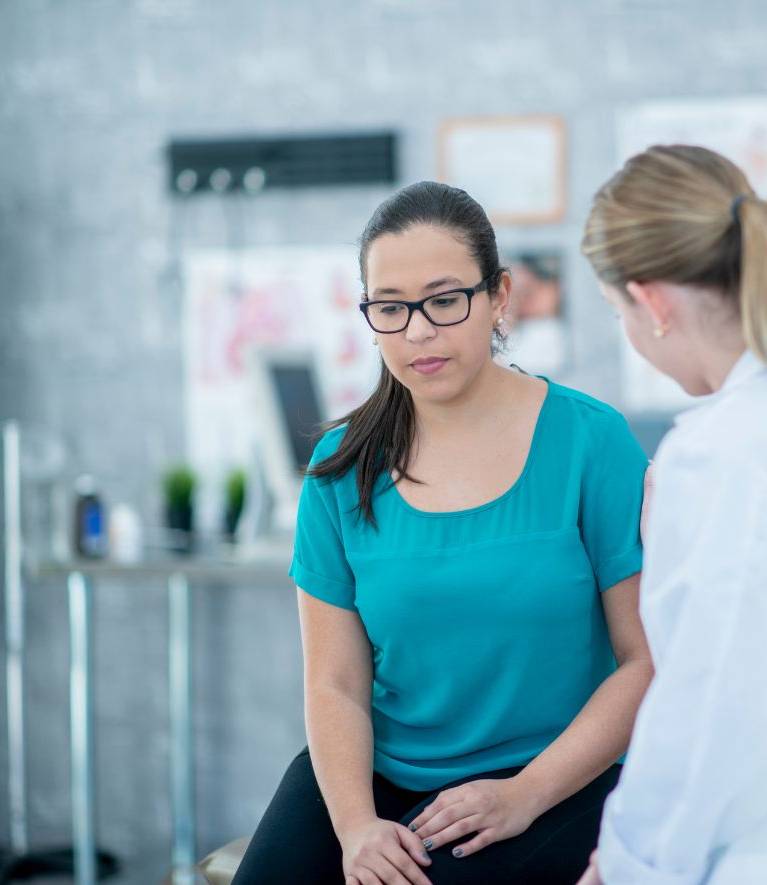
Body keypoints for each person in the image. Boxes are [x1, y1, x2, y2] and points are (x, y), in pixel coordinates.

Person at [233, 181, 654, 885]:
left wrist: (526, 793)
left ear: (499, 295)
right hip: (382, 773)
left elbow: (644, 660)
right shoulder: (340, 468)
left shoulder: (592, 441)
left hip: (555, 778)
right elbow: (334, 682)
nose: (418, 331)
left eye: (444, 299)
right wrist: (356, 827)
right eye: (390, 308)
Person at [576, 144, 767, 884]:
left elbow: (712, 717)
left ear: (654, 304)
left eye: (617, 313)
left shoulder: (719, 456)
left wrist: (630, 862)